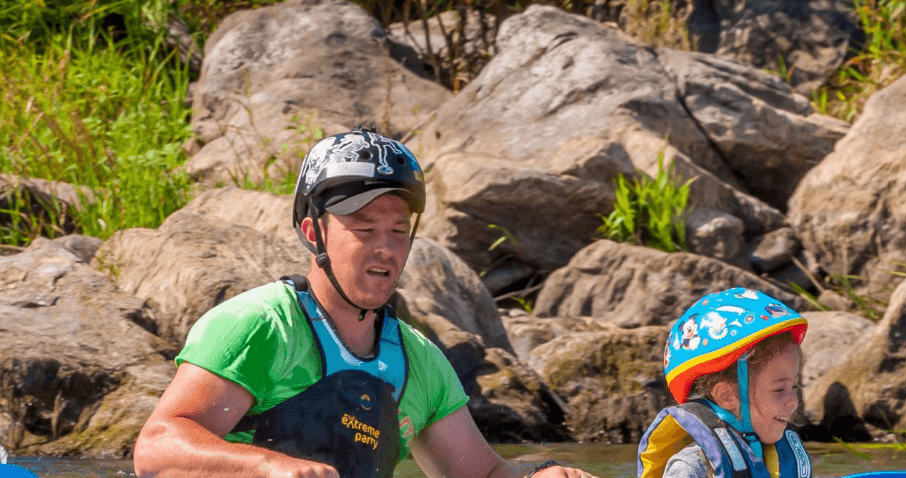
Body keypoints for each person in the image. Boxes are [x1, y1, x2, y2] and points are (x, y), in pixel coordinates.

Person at [134, 128, 596, 478]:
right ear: (313, 232)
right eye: (365, 229)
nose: (385, 249)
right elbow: (155, 449)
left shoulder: (419, 360)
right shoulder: (258, 325)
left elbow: (484, 474)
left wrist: (541, 475)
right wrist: (269, 467)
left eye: (398, 231)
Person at [636, 288, 812, 478]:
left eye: (794, 386)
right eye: (779, 389)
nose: (793, 402)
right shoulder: (692, 468)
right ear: (727, 396)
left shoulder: (777, 456)